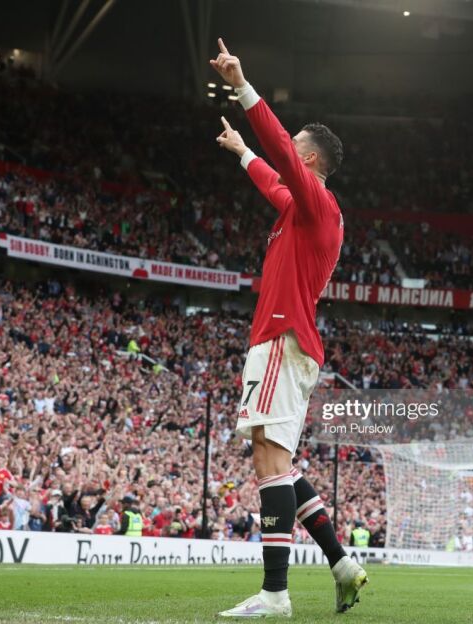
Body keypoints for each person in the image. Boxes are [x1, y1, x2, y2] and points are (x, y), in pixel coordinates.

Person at [210, 38, 365, 618]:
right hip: (282, 340)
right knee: (278, 461)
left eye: (297, 150)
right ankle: (341, 564)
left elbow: (279, 153)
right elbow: (271, 178)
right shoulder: (300, 208)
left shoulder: (319, 204)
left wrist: (242, 87)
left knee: (268, 462)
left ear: (312, 161)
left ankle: (275, 593)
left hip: (282, 337)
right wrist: (241, 152)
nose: (289, 155)